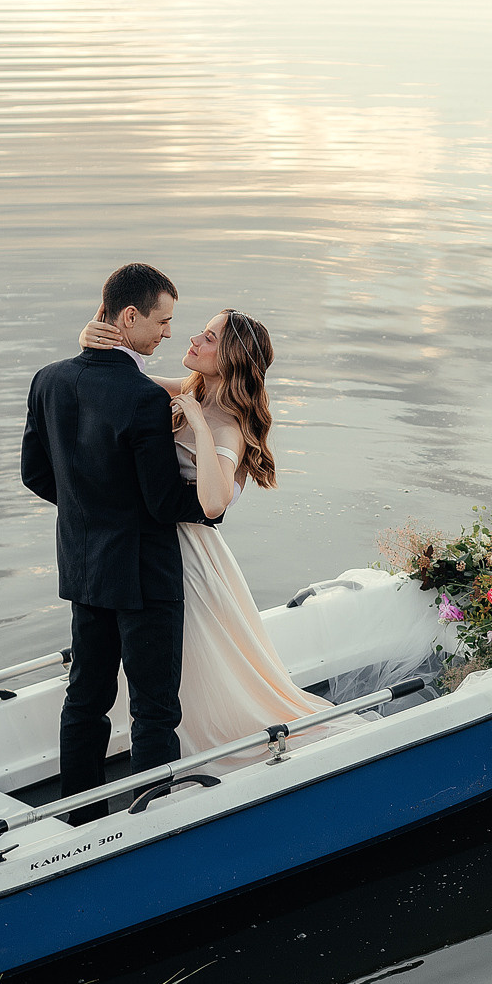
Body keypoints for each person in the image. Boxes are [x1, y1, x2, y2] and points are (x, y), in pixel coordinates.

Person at [77, 303, 331, 757]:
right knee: (169, 665)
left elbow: (213, 503)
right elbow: (121, 379)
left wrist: (197, 422)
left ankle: (192, 754)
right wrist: (93, 341)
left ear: (230, 358)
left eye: (209, 338)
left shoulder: (228, 425)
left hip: (187, 558)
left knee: (184, 665)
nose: (193, 339)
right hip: (152, 546)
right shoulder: (190, 388)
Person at [22, 262, 211, 824]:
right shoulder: (141, 398)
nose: (169, 334)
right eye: (162, 321)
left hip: (84, 566)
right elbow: (160, 503)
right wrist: (211, 505)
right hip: (144, 574)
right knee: (154, 710)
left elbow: (35, 474)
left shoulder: (49, 379)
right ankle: (153, 821)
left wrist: (90, 512)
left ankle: (78, 818)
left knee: (86, 698)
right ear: (129, 317)